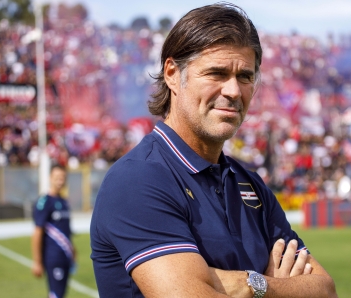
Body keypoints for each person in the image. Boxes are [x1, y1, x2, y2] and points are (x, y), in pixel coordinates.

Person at [90, 3, 337, 298]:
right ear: (172, 74)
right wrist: (281, 288)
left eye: (245, 76)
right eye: (217, 73)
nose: (233, 91)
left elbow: (325, 290)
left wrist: (250, 285)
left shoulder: (250, 184)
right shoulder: (138, 180)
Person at [31, 164, 75, 298]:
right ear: (50, 178)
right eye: (57, 177)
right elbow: (37, 232)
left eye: (63, 178)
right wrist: (37, 261)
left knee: (60, 293)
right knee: (56, 294)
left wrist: (73, 252)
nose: (60, 181)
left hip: (65, 256)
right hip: (53, 257)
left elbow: (66, 230)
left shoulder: (64, 201)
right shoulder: (44, 201)